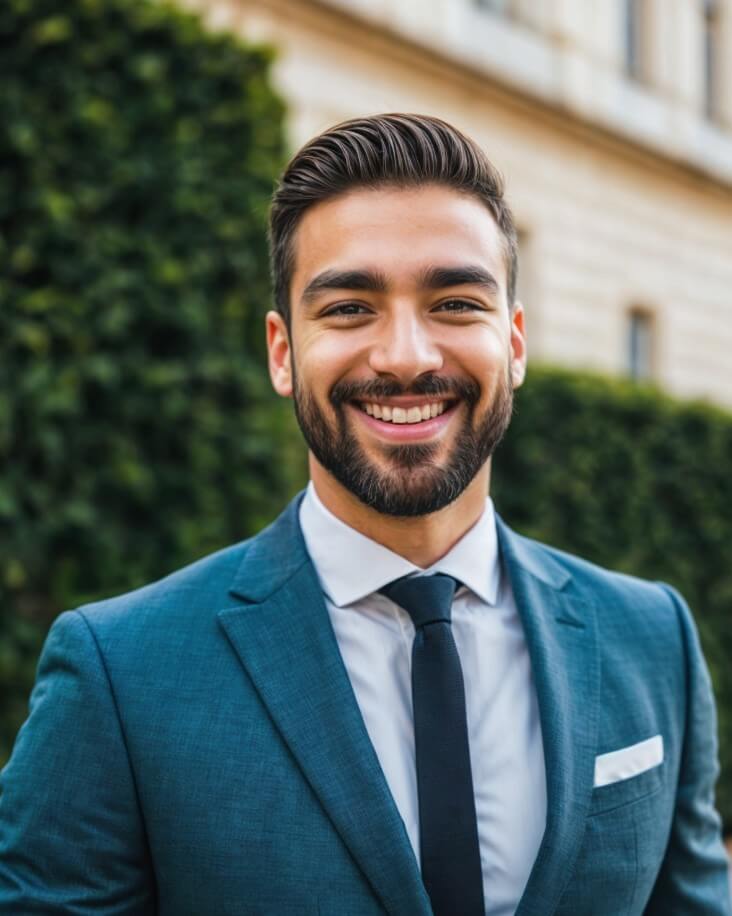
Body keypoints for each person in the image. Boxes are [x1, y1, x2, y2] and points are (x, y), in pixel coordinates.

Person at [0, 113, 729, 916]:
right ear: (282, 352)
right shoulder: (120, 675)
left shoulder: (652, 637)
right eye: (350, 308)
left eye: (455, 302)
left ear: (515, 343)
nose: (408, 356)